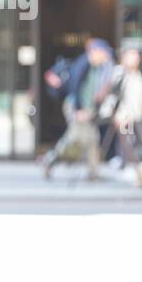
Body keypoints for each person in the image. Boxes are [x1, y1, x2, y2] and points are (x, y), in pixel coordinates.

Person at [42, 39, 113, 180]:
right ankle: (50, 160)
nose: (105, 57)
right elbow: (75, 88)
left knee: (92, 139)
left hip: (88, 110)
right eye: (103, 54)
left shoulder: (97, 68)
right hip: (77, 108)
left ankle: (93, 174)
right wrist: (79, 110)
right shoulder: (83, 65)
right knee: (73, 140)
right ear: (95, 52)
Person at [102, 47, 142, 190]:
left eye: (136, 57)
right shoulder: (120, 74)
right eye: (131, 56)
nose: (134, 60)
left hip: (137, 117)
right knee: (128, 142)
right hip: (125, 116)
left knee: (136, 144)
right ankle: (129, 167)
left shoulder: (136, 75)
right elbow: (113, 95)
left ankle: (136, 171)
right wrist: (112, 113)